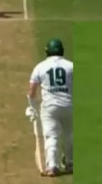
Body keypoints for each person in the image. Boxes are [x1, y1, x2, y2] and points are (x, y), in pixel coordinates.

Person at [26, 39, 73, 176]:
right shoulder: (70, 66)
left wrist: (32, 107)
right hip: (69, 105)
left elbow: (31, 91)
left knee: (51, 136)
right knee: (70, 135)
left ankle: (52, 166)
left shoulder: (40, 67)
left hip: (49, 107)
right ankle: (70, 163)